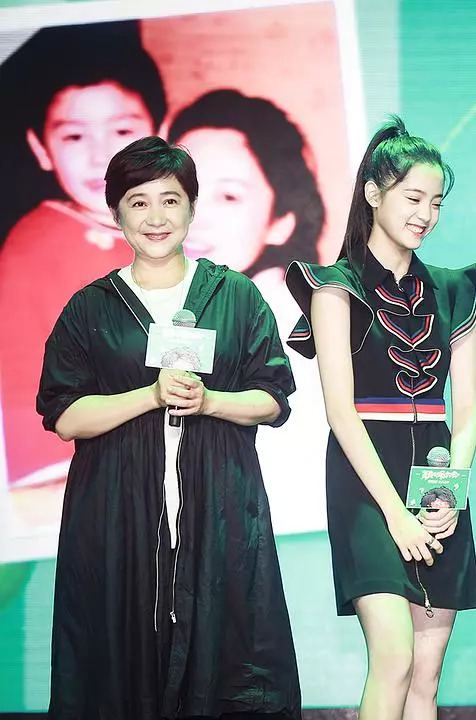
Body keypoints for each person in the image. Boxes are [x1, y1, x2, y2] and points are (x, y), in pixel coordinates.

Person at [37, 136, 301, 717]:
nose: (155, 217)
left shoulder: (235, 295)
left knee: (230, 657)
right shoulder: (90, 308)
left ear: (191, 208)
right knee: (114, 664)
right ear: (116, 214)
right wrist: (149, 395)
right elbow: (65, 416)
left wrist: (209, 402)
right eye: (138, 202)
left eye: (170, 200)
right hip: (115, 516)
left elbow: (273, 399)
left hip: (220, 509)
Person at [285, 116, 476, 719]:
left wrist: (450, 491)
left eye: (436, 202)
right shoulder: (334, 287)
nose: (426, 214)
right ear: (373, 193)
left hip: (437, 483)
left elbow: (467, 408)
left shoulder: (455, 288)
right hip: (366, 483)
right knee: (394, 656)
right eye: (413, 198)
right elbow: (340, 412)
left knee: (426, 672)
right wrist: (396, 514)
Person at [0, 21, 165, 507]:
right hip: (92, 482)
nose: (101, 156)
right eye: (74, 136)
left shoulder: (154, 228)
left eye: (122, 131)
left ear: (160, 133)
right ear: (40, 148)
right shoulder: (35, 251)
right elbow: (28, 405)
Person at [168, 88, 328, 532]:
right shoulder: (152, 306)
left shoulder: (296, 321)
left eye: (230, 197)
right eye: (186, 195)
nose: (196, 218)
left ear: (281, 220)